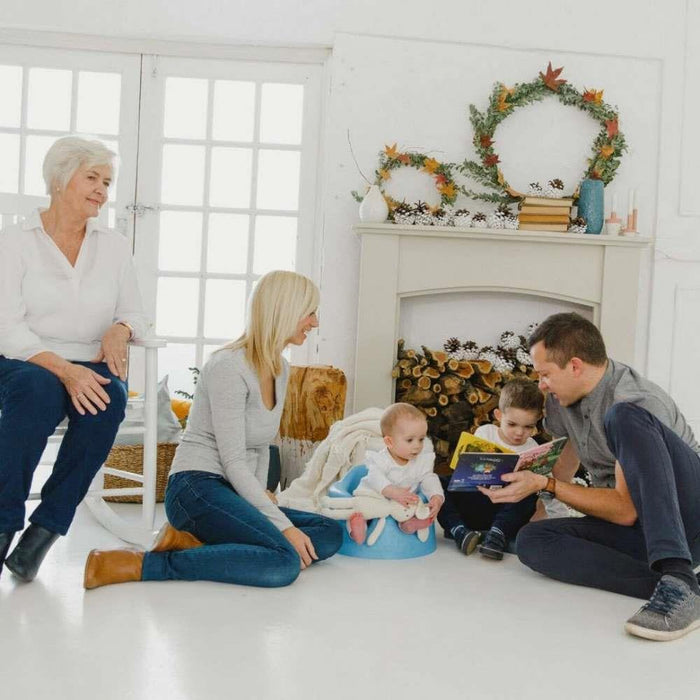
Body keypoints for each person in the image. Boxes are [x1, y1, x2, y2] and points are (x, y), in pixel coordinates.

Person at [84, 270, 344, 589]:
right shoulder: (229, 366)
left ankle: (195, 545)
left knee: (329, 534)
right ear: (285, 311)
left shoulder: (281, 368)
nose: (315, 322)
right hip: (196, 488)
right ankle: (144, 564)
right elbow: (233, 461)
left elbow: (261, 445)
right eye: (310, 312)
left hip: (232, 490)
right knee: (284, 561)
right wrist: (282, 527)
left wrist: (261, 496)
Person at [481, 312, 700, 641]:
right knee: (533, 541)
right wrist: (525, 486)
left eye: (545, 374)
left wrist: (548, 485)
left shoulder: (634, 400)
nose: (541, 384)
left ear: (575, 365)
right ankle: (674, 587)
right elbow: (562, 471)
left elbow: (625, 511)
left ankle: (678, 577)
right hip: (641, 529)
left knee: (623, 417)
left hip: (685, 518)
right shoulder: (560, 400)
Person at [0, 136, 147, 582]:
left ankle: (44, 530)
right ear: (60, 177)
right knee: (38, 391)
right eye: (92, 178)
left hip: (92, 359)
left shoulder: (115, 246)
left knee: (108, 401)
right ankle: (4, 522)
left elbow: (135, 312)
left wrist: (119, 330)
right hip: (24, 358)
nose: (102, 189)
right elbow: (7, 325)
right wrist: (65, 371)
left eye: (107, 181)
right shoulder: (14, 241)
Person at [437, 378, 543, 560]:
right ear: (498, 415)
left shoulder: (532, 447)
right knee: (437, 483)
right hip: (476, 500)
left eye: (528, 427)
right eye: (512, 424)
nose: (519, 433)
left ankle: (497, 535)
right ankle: (458, 530)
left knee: (529, 495)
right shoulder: (485, 433)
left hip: (505, 512)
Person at [347, 402, 444, 545]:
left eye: (421, 439)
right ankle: (358, 529)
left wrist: (436, 496)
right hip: (376, 498)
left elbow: (429, 478)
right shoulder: (380, 459)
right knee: (360, 510)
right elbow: (374, 477)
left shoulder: (421, 461)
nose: (417, 445)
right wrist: (393, 492)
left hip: (402, 505)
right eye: (410, 440)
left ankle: (409, 526)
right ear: (389, 442)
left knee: (416, 509)